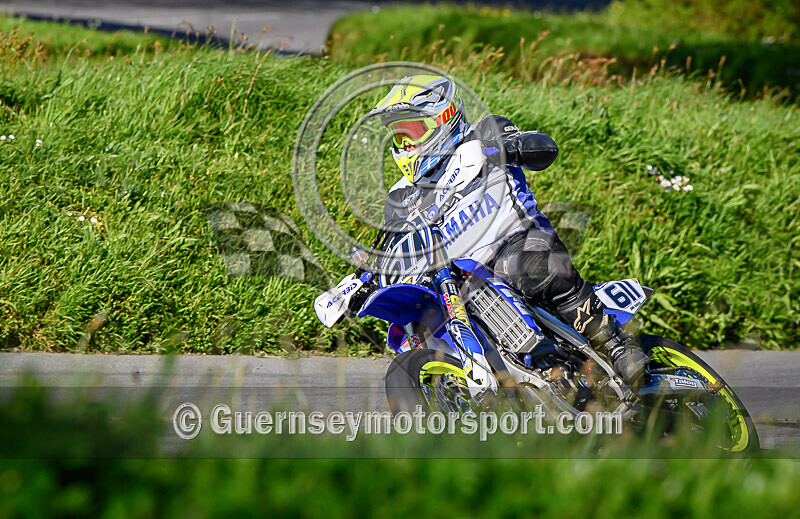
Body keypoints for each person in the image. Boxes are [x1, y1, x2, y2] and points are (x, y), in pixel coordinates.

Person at [367, 74, 648, 384]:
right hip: (457, 279)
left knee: (531, 265)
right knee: (414, 316)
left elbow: (544, 148)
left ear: (443, 118)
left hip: (514, 242)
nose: (406, 144)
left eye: (412, 131)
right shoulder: (401, 195)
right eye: (398, 136)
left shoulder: (483, 133)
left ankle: (616, 345)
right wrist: (362, 280)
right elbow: (388, 247)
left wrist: (507, 148)